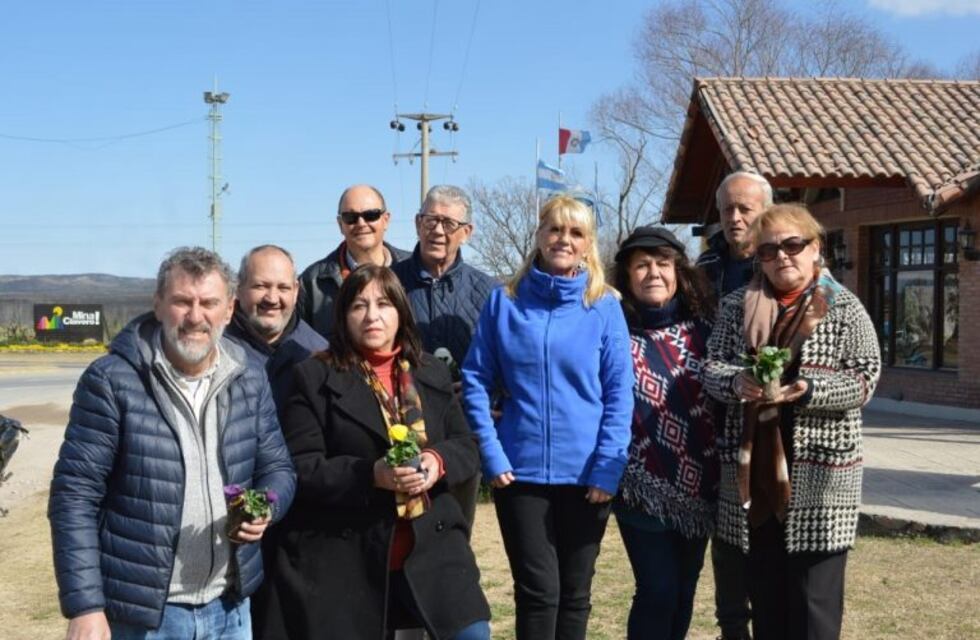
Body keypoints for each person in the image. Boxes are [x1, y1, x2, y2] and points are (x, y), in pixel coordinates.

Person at [49, 246, 296, 640]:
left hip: (230, 608)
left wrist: (268, 504)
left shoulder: (248, 376)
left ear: (229, 310)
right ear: (158, 304)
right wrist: (85, 606)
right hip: (145, 617)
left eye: (209, 303)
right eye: (183, 301)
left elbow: (278, 468)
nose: (196, 316)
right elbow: (74, 495)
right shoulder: (113, 380)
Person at [256, 265, 491, 640]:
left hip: (432, 545)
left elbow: (466, 446)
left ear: (400, 311)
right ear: (344, 316)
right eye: (359, 306)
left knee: (472, 634)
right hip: (347, 551)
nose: (372, 316)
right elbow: (302, 467)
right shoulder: (314, 377)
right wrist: (371, 474)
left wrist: (436, 461)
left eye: (383, 303)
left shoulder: (430, 371)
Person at [702, 204, 881, 640]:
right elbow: (709, 368)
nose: (781, 256)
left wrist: (811, 389)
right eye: (767, 250)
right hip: (753, 474)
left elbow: (865, 377)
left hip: (819, 478)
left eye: (792, 244)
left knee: (813, 609)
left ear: (814, 248)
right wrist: (736, 381)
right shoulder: (735, 307)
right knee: (766, 601)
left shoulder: (843, 307)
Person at [462, 195, 634, 640]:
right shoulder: (504, 303)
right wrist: (492, 453)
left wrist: (609, 466)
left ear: (588, 244)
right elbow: (475, 379)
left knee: (575, 594)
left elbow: (619, 393)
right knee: (537, 592)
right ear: (538, 236)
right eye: (555, 229)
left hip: (588, 476)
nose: (564, 239)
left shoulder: (605, 306)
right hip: (520, 475)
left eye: (575, 232)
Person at [611, 226, 718, 640]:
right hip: (641, 484)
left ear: (678, 271)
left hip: (701, 485)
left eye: (662, 263)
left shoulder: (706, 332)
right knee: (657, 589)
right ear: (627, 275)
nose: (653, 273)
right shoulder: (613, 333)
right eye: (641, 265)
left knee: (685, 590)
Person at [392, 184, 497, 532]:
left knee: (454, 534)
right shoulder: (390, 284)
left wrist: (492, 397)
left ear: (466, 232)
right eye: (430, 219)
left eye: (449, 223)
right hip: (400, 428)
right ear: (417, 223)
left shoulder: (490, 293)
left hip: (461, 431)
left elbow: (505, 359)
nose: (437, 230)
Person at [697, 170, 772, 640]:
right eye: (728, 209)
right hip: (708, 419)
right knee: (725, 543)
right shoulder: (702, 270)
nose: (736, 217)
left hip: (767, 426)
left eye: (746, 208)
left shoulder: (783, 267)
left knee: (763, 542)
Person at [298, 184, 411, 339]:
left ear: (386, 220)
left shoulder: (414, 271)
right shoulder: (312, 282)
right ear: (340, 224)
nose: (361, 223)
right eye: (350, 218)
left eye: (371, 215)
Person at [226, 244, 328, 409]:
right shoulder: (215, 350)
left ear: (295, 292)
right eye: (261, 286)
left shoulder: (319, 354)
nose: (272, 298)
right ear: (239, 288)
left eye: (283, 288)